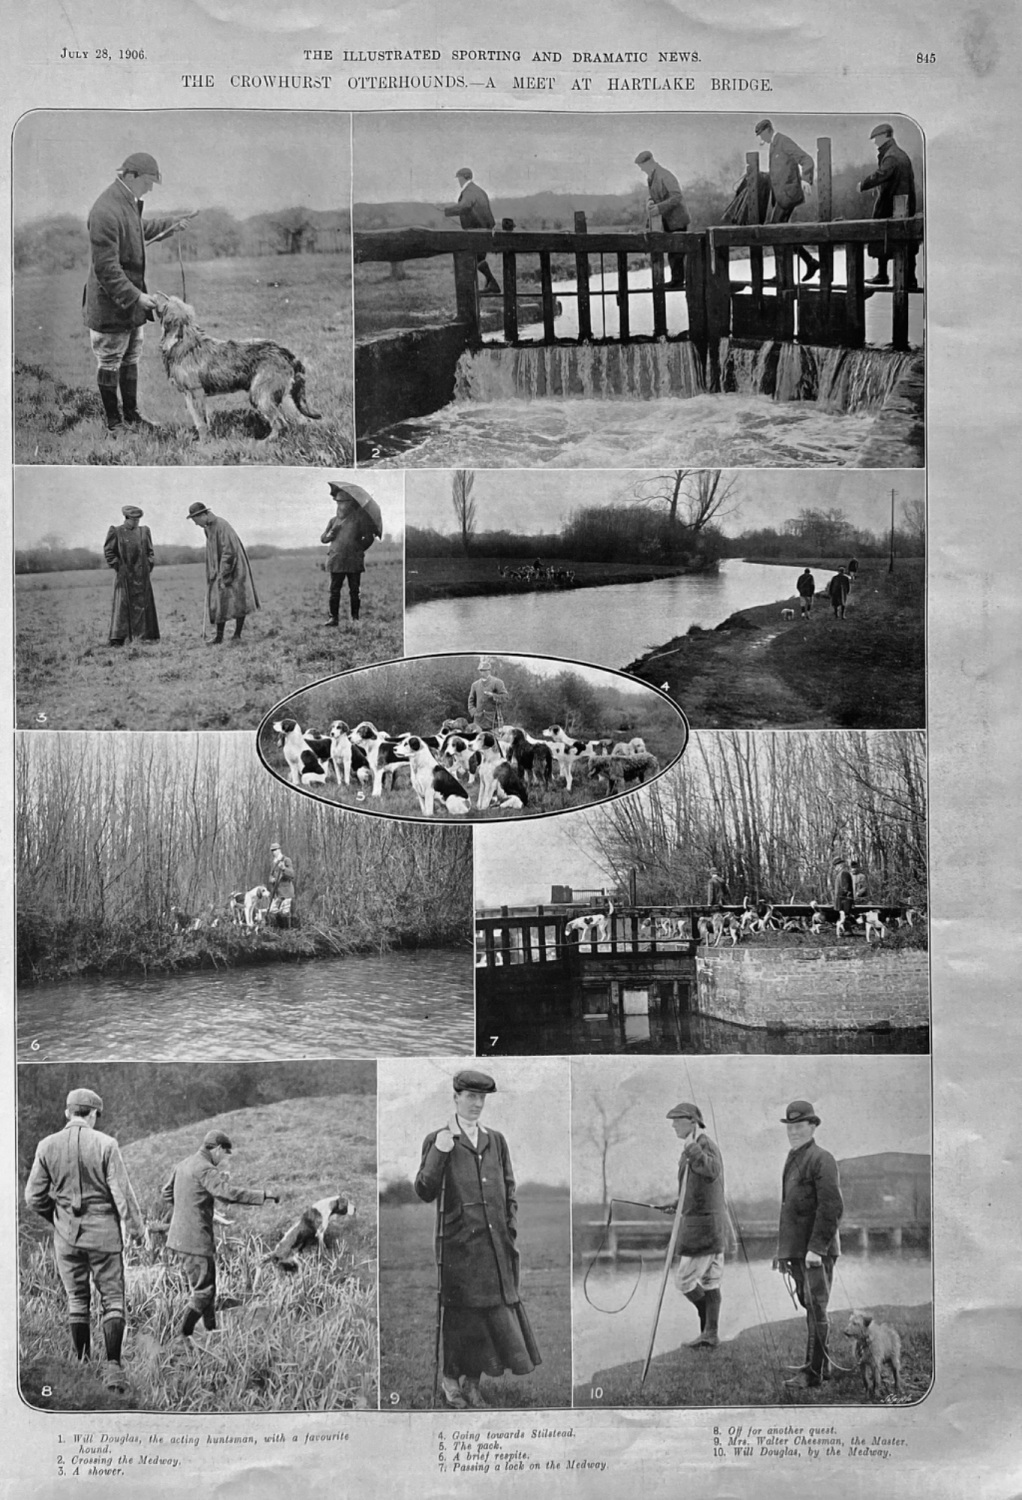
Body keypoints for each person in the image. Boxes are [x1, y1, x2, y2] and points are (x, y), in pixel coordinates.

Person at [415, 1069, 541, 1410]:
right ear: (455, 1097)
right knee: (461, 1319)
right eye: (470, 1096)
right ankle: (450, 1385)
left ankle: (473, 1385)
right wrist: (440, 1152)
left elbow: (509, 1188)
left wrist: (508, 1227)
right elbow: (425, 1190)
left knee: (489, 1318)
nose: (476, 1104)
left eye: (481, 1098)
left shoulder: (495, 1140)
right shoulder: (438, 1139)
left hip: (495, 1247)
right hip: (458, 1247)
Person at [24, 1087, 147, 1392]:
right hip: (104, 1238)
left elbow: (33, 1197)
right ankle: (113, 1369)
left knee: (77, 1300)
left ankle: (82, 1364)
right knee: (113, 1300)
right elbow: (123, 1195)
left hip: (67, 1239)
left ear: (67, 1113)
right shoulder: (107, 1144)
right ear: (93, 1114)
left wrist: (58, 1216)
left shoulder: (46, 1145)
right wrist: (137, 1231)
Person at [83, 152, 196, 433]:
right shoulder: (105, 209)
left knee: (131, 356)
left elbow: (139, 229)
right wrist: (137, 297)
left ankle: (131, 415)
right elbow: (106, 268)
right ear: (130, 175)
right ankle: (114, 423)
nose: (150, 189)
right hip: (110, 304)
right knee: (110, 360)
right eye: (148, 182)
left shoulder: (126, 202)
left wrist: (171, 224)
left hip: (130, 302)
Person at [162, 1129, 279, 1348]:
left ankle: (211, 1330)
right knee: (203, 1291)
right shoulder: (205, 1168)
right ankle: (182, 1336)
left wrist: (188, 1210)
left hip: (180, 1238)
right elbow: (228, 1194)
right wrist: (263, 1195)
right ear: (216, 1149)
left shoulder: (184, 1164)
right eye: (223, 1155)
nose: (222, 1160)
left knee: (209, 1286)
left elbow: (166, 1193)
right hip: (195, 1239)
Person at [775, 1100, 844, 1389]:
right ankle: (822, 1365)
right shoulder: (794, 1158)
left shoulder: (821, 1158)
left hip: (817, 1251)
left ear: (813, 1126)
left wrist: (816, 1249)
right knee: (809, 1305)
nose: (793, 1131)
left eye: (799, 1125)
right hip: (799, 1251)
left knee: (816, 1308)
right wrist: (786, 1253)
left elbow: (831, 1207)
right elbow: (791, 1210)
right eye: (790, 1126)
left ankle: (812, 1374)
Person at [657, 1102, 728, 1350]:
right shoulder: (694, 1146)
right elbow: (698, 1189)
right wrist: (677, 1204)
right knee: (710, 1282)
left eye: (677, 1120)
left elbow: (712, 1171)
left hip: (705, 1231)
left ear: (692, 1122)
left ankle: (708, 1326)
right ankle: (710, 1333)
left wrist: (693, 1149)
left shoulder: (702, 1144)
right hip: (710, 1228)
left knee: (684, 1281)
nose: (674, 1126)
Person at [754, 120, 820, 283]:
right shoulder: (774, 145)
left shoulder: (783, 141)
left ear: (768, 130)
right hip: (781, 197)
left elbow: (807, 159)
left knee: (774, 230)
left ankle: (785, 272)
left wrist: (806, 179)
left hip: (788, 195)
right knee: (779, 232)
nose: (762, 139)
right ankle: (807, 262)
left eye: (762, 135)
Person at [187, 502, 260, 645]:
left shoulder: (222, 525)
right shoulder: (208, 529)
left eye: (196, 521)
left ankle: (237, 635)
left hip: (235, 568)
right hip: (219, 570)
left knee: (239, 600)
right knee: (219, 601)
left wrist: (222, 573)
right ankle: (219, 637)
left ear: (202, 515)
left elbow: (229, 552)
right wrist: (214, 572)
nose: (196, 524)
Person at [859, 123, 919, 290]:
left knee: (883, 234)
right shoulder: (898, 154)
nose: (875, 142)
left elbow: (882, 174)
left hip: (893, 204)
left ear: (886, 136)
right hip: (902, 203)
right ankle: (909, 278)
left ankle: (883, 275)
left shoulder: (891, 156)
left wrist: (863, 185)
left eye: (876, 138)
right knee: (905, 239)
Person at [320, 480, 381, 628]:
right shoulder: (333, 521)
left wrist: (358, 549)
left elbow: (369, 537)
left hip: (353, 561)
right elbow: (323, 539)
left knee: (354, 591)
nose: (339, 505)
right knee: (334, 591)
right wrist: (331, 534)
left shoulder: (360, 519)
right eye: (337, 502)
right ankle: (333, 618)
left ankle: (355, 618)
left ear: (350, 503)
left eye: (342, 502)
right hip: (336, 559)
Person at [103, 504, 160, 645]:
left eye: (138, 520)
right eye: (133, 520)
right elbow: (109, 552)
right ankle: (119, 638)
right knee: (122, 606)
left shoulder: (144, 531)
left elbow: (150, 552)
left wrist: (148, 565)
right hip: (125, 576)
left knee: (144, 606)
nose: (136, 523)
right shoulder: (116, 531)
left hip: (142, 575)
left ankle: (146, 636)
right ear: (126, 518)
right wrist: (119, 567)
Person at [439, 167, 501, 294]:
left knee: (474, 260)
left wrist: (446, 211)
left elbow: (465, 206)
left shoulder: (469, 191)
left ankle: (490, 285)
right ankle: (491, 284)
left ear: (462, 178)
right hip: (485, 231)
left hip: (477, 232)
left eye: (459, 179)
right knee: (479, 260)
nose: (458, 182)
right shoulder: (479, 191)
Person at [634, 150, 689, 287]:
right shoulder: (651, 177)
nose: (642, 170)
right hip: (668, 220)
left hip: (678, 220)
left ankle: (678, 281)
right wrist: (650, 201)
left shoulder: (665, 175)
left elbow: (677, 197)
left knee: (676, 253)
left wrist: (659, 208)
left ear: (649, 162)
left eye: (642, 167)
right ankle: (677, 280)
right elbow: (656, 195)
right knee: (672, 252)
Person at [467, 657, 508, 731]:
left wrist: (493, 695)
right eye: (481, 670)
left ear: (489, 671)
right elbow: (471, 701)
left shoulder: (497, 682)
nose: (482, 672)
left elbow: (505, 697)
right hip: (478, 722)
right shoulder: (475, 685)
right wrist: (474, 713)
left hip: (493, 722)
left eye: (484, 670)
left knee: (493, 740)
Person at [267, 841, 296, 928]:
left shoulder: (286, 860)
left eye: (275, 850)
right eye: (272, 850)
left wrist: (284, 869)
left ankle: (287, 932)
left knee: (285, 913)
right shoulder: (274, 863)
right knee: (272, 911)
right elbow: (271, 875)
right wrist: (271, 879)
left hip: (286, 892)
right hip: (278, 894)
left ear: (279, 850)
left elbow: (292, 874)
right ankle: (280, 930)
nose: (273, 852)